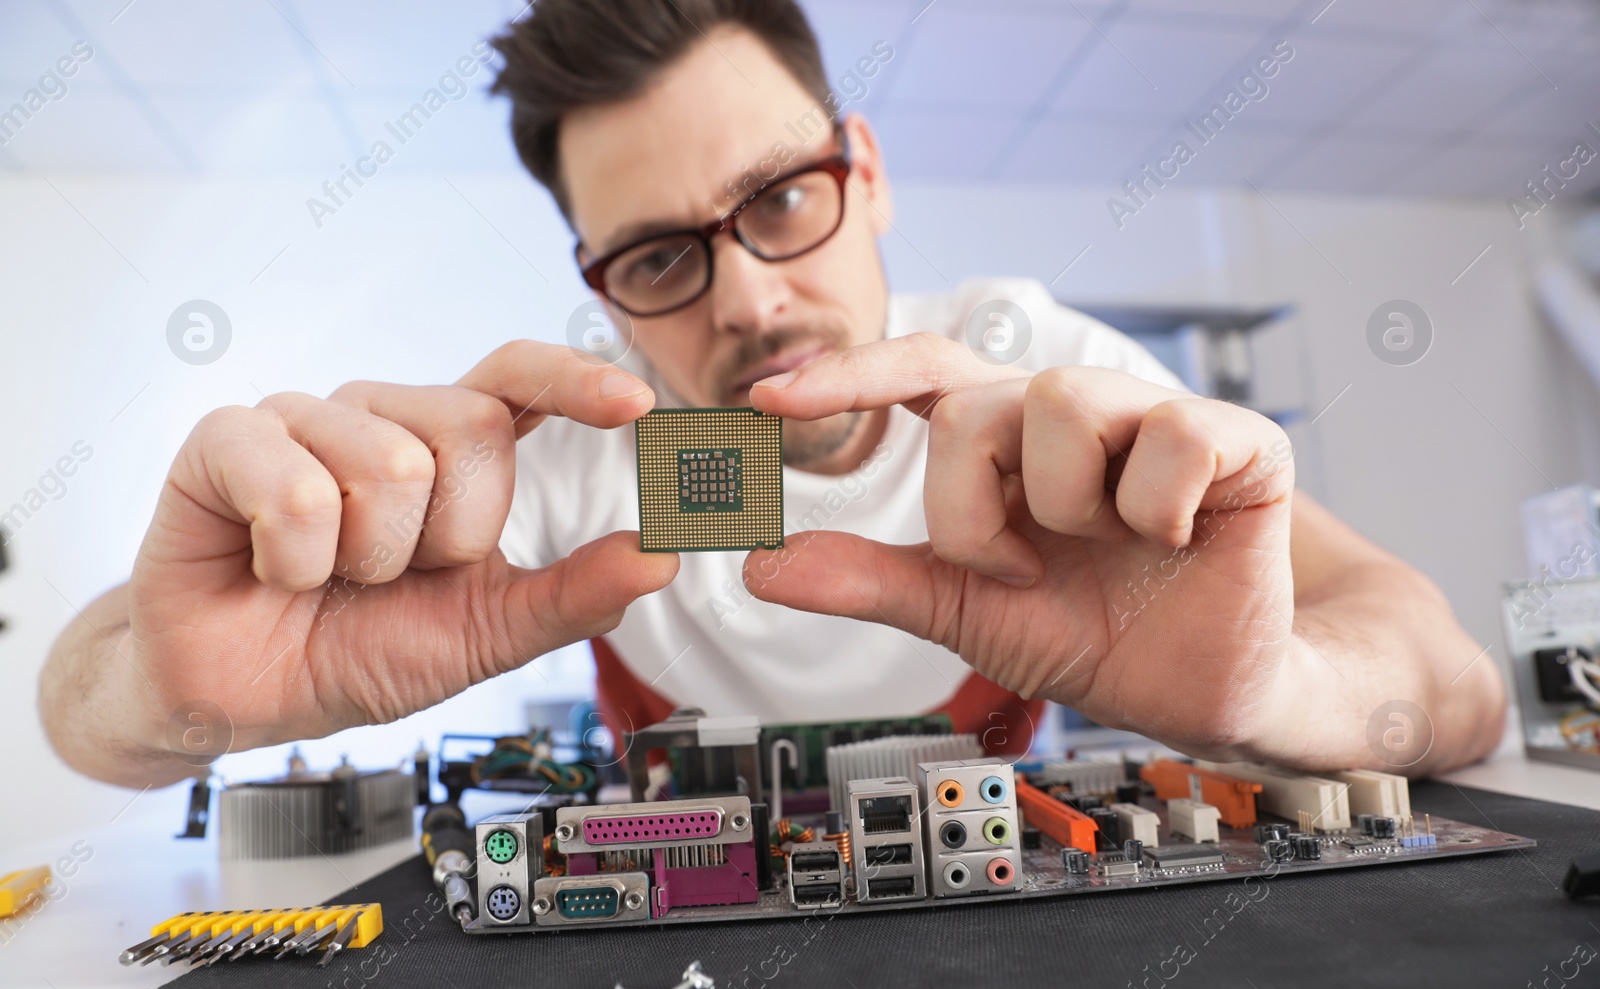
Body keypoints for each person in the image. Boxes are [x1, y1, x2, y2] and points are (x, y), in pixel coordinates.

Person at [39, 0, 1501, 789]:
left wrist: (1278, 692)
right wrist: (170, 691)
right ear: (602, 284)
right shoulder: (566, 452)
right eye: (662, 254)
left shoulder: (1048, 374)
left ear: (863, 174)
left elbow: (1455, 681)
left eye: (782, 199)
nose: (744, 298)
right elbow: (77, 707)